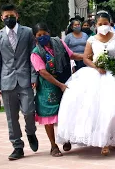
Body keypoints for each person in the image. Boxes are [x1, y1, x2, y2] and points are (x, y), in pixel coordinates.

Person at [56, 11, 115, 156]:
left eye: (105, 24)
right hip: (97, 75)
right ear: (96, 25)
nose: (103, 26)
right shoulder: (91, 40)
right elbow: (86, 58)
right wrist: (96, 66)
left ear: (110, 24)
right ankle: (104, 141)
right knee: (97, 109)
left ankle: (114, 136)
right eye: (100, 24)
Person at [0, 4, 38, 160]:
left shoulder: (27, 32)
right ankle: (17, 146)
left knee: (29, 111)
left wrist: (33, 77)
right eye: (6, 16)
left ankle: (31, 132)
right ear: (2, 18)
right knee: (11, 117)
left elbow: (33, 57)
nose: (9, 18)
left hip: (25, 79)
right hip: (6, 81)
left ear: (17, 16)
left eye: (11, 16)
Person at [30, 23, 83, 157]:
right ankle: (53, 146)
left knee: (66, 112)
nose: (43, 37)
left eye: (44, 34)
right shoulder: (35, 53)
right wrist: (59, 85)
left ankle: (66, 139)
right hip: (48, 87)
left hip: (64, 80)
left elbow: (71, 55)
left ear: (49, 32)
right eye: (39, 35)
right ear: (35, 37)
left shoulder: (59, 43)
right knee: (49, 117)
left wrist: (86, 57)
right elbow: (43, 72)